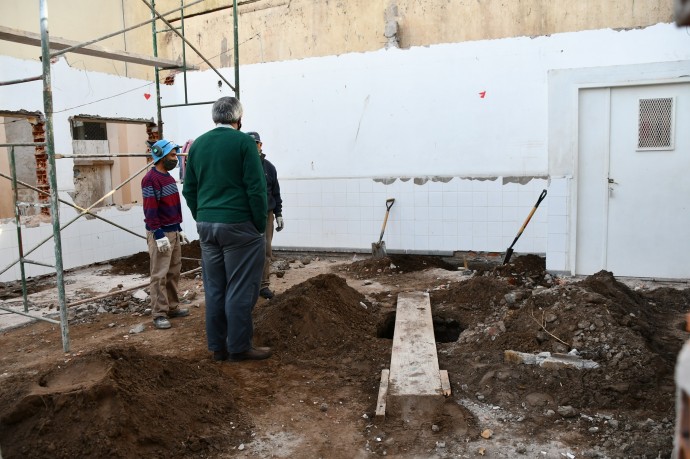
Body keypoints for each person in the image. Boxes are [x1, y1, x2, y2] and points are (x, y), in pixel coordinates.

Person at [182, 96, 272, 362]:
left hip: (208, 228)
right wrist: (257, 225)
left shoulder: (198, 144)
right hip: (238, 226)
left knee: (215, 288)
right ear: (239, 119)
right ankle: (239, 347)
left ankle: (218, 348)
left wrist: (201, 217)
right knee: (240, 288)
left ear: (214, 118)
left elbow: (189, 189)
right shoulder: (244, 142)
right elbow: (256, 189)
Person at [142, 138, 191, 330]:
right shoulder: (150, 180)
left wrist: (178, 229)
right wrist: (158, 233)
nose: (175, 158)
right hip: (160, 233)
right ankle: (159, 313)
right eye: (172, 155)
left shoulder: (169, 178)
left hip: (172, 230)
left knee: (173, 271)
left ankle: (172, 306)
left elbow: (172, 208)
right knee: (159, 274)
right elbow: (150, 210)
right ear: (161, 156)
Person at [246, 131, 283, 300]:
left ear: (261, 145)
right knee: (245, 251)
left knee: (265, 250)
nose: (254, 147)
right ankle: (246, 286)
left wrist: (278, 214)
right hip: (245, 215)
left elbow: (275, 192)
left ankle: (263, 285)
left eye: (256, 144)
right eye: (250, 144)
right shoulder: (240, 166)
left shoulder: (269, 167)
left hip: (266, 214)